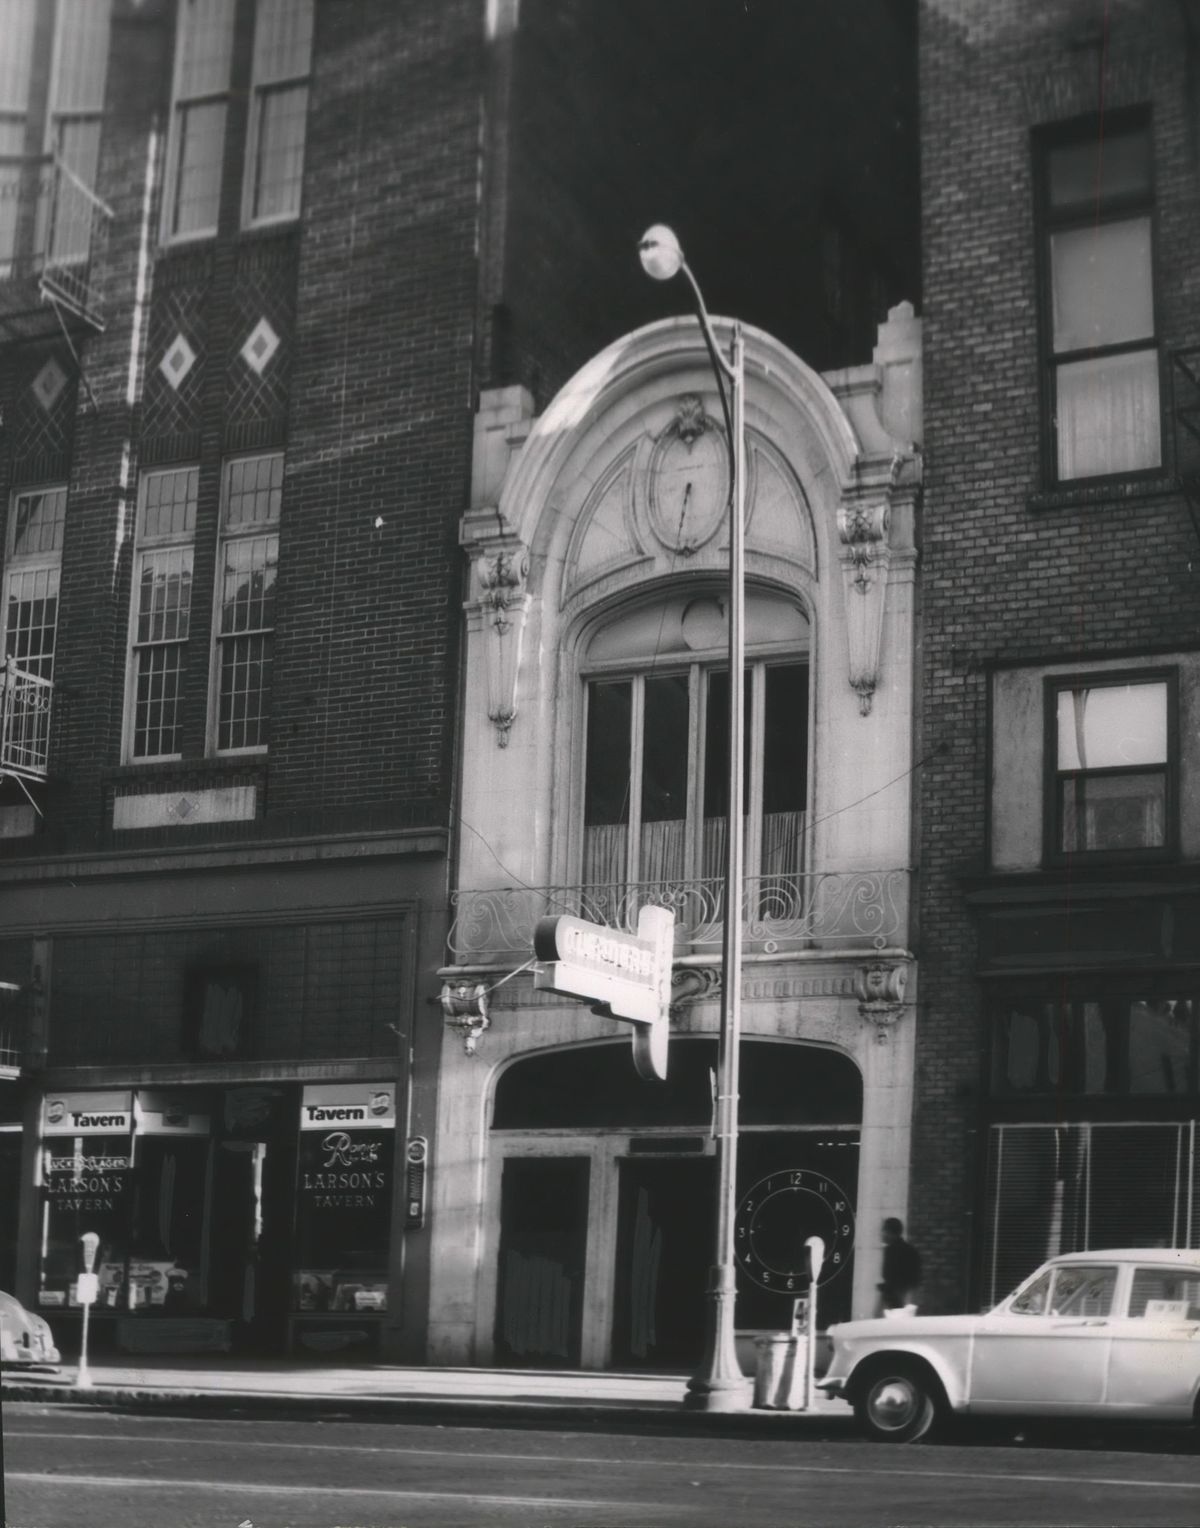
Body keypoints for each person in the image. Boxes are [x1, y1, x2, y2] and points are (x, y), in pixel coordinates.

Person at [879, 1217, 922, 1312]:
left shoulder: (892, 1251)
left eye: (884, 1230)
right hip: (902, 1296)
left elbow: (889, 1276)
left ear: (891, 1233)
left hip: (896, 1297)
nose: (882, 1233)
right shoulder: (910, 1250)